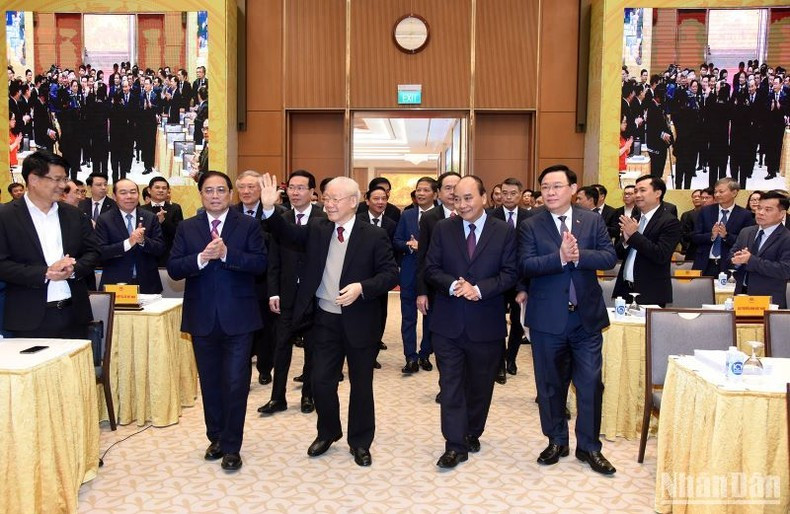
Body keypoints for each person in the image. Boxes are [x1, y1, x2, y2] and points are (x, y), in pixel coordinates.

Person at [259, 173, 398, 467]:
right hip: (324, 319)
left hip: (360, 319)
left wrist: (363, 288)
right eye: (326, 198)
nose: (328, 203)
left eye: (335, 199)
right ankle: (328, 430)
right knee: (321, 381)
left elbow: (389, 275)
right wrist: (270, 209)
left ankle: (360, 442)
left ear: (352, 202)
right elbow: (287, 235)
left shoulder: (374, 235)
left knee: (361, 385)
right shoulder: (318, 228)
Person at [518, 164, 617, 475]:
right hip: (548, 320)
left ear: (573, 189)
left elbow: (608, 257)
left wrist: (578, 256)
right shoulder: (531, 226)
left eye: (557, 186)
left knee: (589, 385)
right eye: (545, 187)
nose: (550, 192)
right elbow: (526, 265)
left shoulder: (592, 220)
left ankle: (589, 447)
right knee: (550, 386)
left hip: (585, 320)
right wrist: (559, 258)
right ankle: (556, 440)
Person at [167, 171, 267, 472]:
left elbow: (260, 264)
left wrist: (226, 254)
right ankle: (217, 438)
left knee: (236, 384)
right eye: (208, 190)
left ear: (230, 194)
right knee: (210, 383)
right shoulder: (187, 227)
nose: (214, 195)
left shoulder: (248, 225)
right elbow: (173, 268)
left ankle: (233, 446)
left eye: (221, 190)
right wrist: (200, 258)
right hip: (201, 319)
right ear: (201, 194)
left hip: (239, 319)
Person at [425, 176, 518, 469]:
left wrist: (478, 289)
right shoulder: (443, 229)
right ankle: (454, 445)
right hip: (448, 323)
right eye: (456, 199)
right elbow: (431, 268)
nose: (462, 204)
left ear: (485, 198)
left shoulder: (503, 231)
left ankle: (472, 431)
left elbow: (510, 273)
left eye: (468, 198)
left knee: (480, 387)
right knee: (450, 385)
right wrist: (453, 285)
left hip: (486, 324)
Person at [0, 150, 99, 337]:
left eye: (65, 179)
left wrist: (74, 269)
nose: (63, 185)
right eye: (57, 179)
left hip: (74, 315)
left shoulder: (74, 215)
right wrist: (44, 273)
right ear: (33, 179)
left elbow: (93, 252)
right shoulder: (6, 217)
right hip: (28, 319)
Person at [260, 170, 325, 415]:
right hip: (286, 294)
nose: (295, 192)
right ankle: (278, 397)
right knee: (281, 347)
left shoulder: (323, 219)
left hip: (315, 296)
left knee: (312, 349)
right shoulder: (281, 217)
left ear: (312, 192)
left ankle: (308, 395)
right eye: (291, 188)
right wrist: (273, 292)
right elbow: (273, 260)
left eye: (301, 188)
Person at [416, 172, 461, 402]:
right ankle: (447, 385)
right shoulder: (430, 218)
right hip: (437, 288)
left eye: (457, 187)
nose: (453, 193)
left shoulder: (472, 215)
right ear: (439, 193)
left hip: (468, 289)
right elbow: (423, 257)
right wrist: (422, 291)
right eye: (448, 188)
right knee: (441, 341)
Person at [233, 170, 276, 386]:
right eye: (242, 187)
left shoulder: (274, 213)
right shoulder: (229, 213)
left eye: (252, 187)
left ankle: (265, 367)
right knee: (241, 328)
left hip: (265, 281)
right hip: (237, 281)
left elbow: (276, 245)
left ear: (261, 189)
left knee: (266, 328)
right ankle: (243, 372)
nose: (247, 191)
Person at [612, 176, 681, 307]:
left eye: (642, 190)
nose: (637, 195)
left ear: (658, 193)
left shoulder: (670, 222)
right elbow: (618, 254)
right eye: (636, 191)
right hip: (625, 289)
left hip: (650, 293)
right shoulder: (634, 219)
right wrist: (626, 241)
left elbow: (660, 255)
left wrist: (633, 235)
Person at [488, 177, 533, 379]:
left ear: (521, 194)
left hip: (520, 279)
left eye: (513, 193)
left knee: (517, 321)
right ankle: (498, 364)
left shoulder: (530, 218)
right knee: (496, 321)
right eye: (504, 193)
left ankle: (511, 358)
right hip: (496, 278)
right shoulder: (489, 216)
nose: (507, 197)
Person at [394, 176, 437, 373]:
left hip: (431, 274)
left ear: (435, 194)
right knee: (408, 317)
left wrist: (424, 247)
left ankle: (425, 354)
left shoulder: (441, 216)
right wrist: (408, 245)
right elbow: (397, 240)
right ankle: (410, 357)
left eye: (426, 190)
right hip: (410, 271)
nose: (420, 193)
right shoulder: (407, 215)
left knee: (431, 317)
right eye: (418, 190)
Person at [95, 179, 165, 294]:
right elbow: (100, 252)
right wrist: (128, 243)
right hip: (116, 284)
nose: (129, 196)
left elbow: (160, 248)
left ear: (138, 195)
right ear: (114, 196)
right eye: (123, 193)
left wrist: (143, 241)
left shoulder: (150, 217)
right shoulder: (104, 220)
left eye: (133, 192)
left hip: (147, 283)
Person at [729, 191, 790, 308]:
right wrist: (736, 259)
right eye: (759, 208)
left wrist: (750, 260)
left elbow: (785, 270)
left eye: (768, 210)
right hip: (741, 295)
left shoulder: (786, 238)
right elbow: (731, 255)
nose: (760, 213)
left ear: (782, 214)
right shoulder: (746, 232)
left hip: (769, 300)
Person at [691, 178, 755, 277]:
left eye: (721, 192)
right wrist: (711, 236)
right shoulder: (705, 211)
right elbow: (695, 237)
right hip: (704, 263)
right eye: (715, 192)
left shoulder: (745, 215)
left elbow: (746, 242)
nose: (717, 195)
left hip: (729, 264)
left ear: (734, 193)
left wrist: (726, 236)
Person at [141, 177, 184, 266]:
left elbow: (179, 233)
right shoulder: (141, 210)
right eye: (157, 187)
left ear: (168, 191)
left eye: (164, 188)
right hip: (146, 255)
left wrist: (164, 221)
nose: (161, 190)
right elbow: (140, 233)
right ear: (149, 190)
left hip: (168, 255)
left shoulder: (175, 208)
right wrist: (156, 223)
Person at [646, 84, 672, 178]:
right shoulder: (652, 108)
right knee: (656, 172)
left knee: (660, 171)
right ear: (657, 96)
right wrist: (662, 135)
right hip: (655, 145)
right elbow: (652, 128)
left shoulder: (661, 107)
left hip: (662, 145)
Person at [679, 189, 703, 258]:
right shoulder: (686, 215)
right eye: (694, 197)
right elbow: (681, 233)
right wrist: (687, 247)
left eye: (699, 196)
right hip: (690, 251)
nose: (696, 198)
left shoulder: (710, 214)